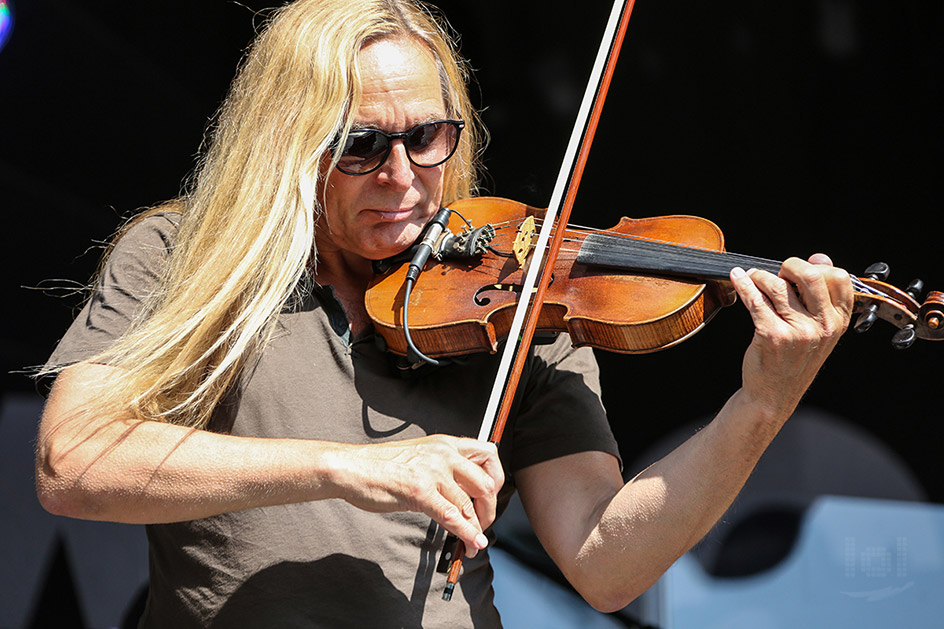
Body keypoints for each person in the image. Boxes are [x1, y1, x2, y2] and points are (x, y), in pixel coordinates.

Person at [35, 0, 853, 626]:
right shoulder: (186, 256)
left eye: (428, 137)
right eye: (360, 146)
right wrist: (346, 467)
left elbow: (609, 563)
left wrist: (762, 402)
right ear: (286, 139)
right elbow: (74, 463)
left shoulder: (522, 298)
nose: (403, 178)